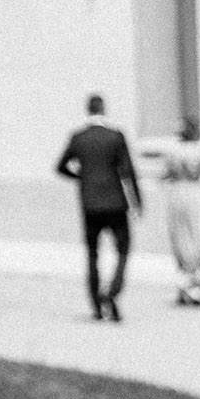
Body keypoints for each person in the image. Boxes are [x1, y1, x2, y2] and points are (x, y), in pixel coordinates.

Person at [55, 94, 141, 321]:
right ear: (104, 109)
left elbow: (61, 166)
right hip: (114, 202)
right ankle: (112, 290)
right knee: (123, 249)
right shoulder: (115, 136)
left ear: (88, 110)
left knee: (92, 254)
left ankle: (95, 304)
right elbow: (128, 171)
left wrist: (82, 176)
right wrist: (137, 201)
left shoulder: (79, 137)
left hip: (90, 203)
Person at [162, 116, 200, 306]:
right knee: (198, 238)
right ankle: (197, 286)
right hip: (195, 193)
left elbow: (165, 174)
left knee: (181, 239)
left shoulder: (172, 150)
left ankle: (184, 285)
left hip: (177, 193)